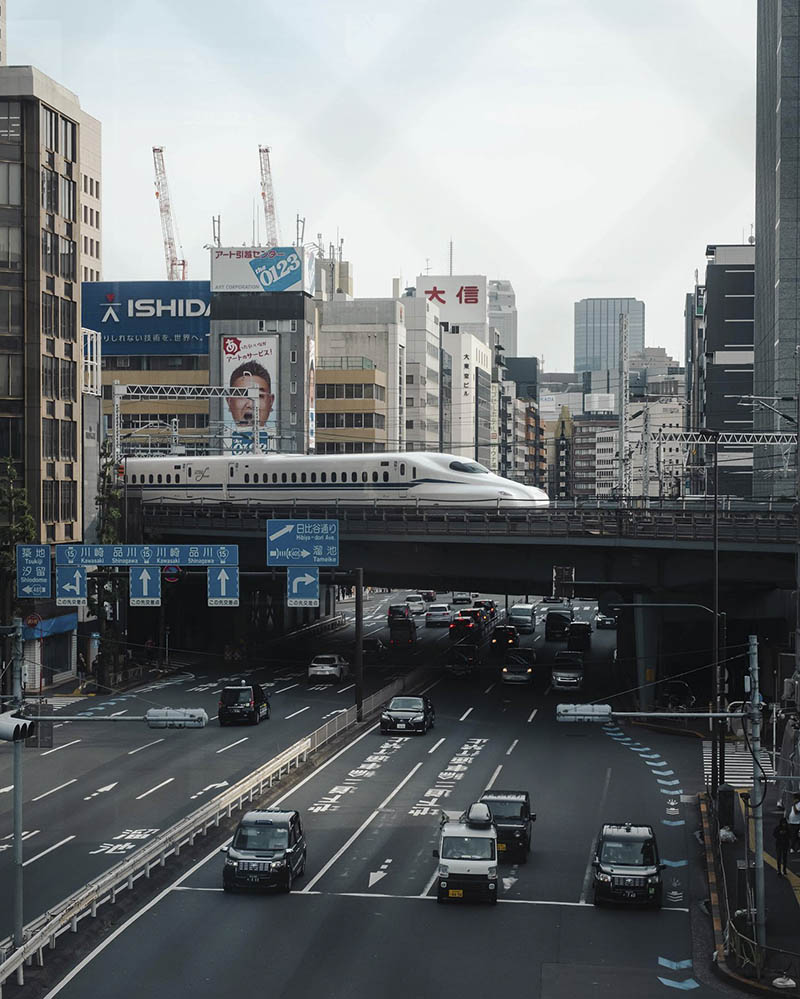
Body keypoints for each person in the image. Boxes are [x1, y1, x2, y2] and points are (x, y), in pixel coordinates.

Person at [226, 361, 275, 428]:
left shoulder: (277, 436)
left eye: (258, 396)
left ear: (271, 401)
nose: (250, 404)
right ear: (229, 401)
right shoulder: (224, 436)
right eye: (242, 395)